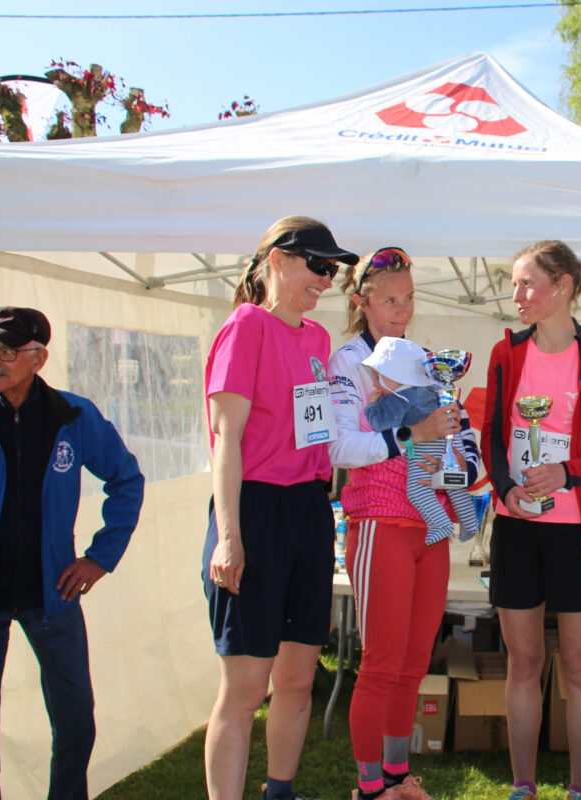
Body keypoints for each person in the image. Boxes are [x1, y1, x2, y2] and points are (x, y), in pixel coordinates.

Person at [0, 306, 145, 800]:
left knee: (76, 721)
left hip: (53, 598)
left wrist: (101, 557)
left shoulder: (74, 416)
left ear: (39, 358)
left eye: (7, 351)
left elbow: (126, 479)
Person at [201, 216, 358, 800]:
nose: (327, 279)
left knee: (297, 680)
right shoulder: (247, 326)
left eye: (333, 269)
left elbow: (316, 432)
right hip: (255, 509)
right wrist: (229, 535)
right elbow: (226, 440)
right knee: (245, 690)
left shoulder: (317, 339)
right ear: (278, 260)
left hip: (308, 511)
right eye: (318, 265)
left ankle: (280, 791)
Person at [482, 240, 581, 800]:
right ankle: (522, 785)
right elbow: (492, 434)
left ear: (564, 286)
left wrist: (568, 473)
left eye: (527, 283)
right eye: (515, 283)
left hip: (579, 533)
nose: (517, 295)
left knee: (578, 664)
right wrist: (505, 487)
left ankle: (580, 789)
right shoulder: (505, 354)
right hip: (516, 527)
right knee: (523, 662)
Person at [329, 247, 480, 800]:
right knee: (381, 664)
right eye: (390, 300)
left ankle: (396, 777)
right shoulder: (346, 362)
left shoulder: (422, 361)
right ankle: (370, 787)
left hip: (429, 525)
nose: (402, 310)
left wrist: (459, 454)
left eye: (410, 298)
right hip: (379, 523)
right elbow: (338, 448)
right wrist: (411, 435)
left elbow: (454, 441)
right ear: (361, 301)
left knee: (414, 664)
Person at [361, 335, 479, 545]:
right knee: (454, 484)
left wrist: (372, 406)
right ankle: (470, 523)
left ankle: (440, 524)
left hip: (425, 445)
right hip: (452, 442)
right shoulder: (434, 388)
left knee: (417, 490)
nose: (374, 383)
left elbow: (380, 424)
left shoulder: (396, 399)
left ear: (396, 375)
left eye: (379, 376)